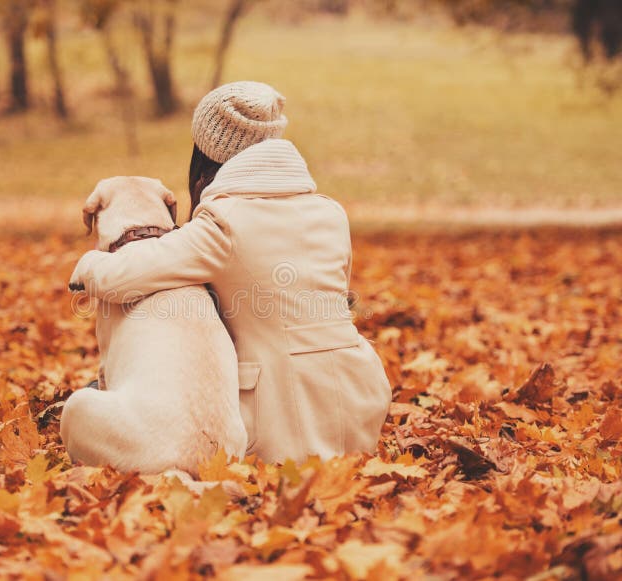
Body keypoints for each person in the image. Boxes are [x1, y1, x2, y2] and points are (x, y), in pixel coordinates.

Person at [70, 81, 392, 463]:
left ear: (207, 152)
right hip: (359, 403)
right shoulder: (329, 211)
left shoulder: (224, 223)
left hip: (280, 420)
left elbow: (122, 278)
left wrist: (87, 265)